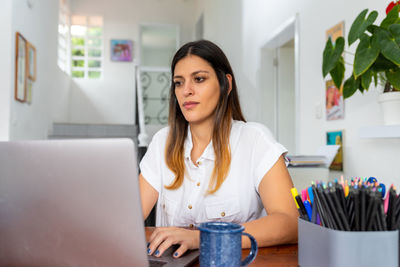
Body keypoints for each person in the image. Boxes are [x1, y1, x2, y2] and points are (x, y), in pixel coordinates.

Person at [139, 40, 298, 258]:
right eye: (178, 82)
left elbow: (289, 223)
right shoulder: (162, 142)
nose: (186, 91)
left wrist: (204, 237)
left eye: (199, 79)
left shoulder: (255, 140)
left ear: (226, 84)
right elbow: (129, 221)